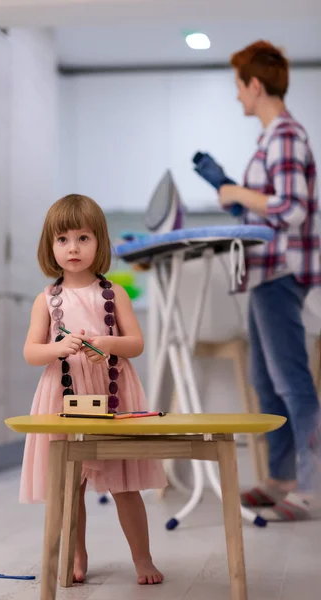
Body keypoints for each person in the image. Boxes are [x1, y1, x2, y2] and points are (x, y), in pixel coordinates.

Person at [20, 194, 167, 583]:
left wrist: (108, 343)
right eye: (63, 239)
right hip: (64, 397)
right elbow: (32, 352)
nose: (73, 248)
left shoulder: (114, 293)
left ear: (100, 242)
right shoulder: (47, 300)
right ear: (50, 246)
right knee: (72, 486)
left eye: (83, 238)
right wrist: (58, 347)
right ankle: (76, 556)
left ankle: (143, 559)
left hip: (112, 395)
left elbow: (135, 343)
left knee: (126, 483)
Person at [218, 40, 321, 521]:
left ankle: (311, 485)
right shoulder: (271, 139)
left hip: (280, 273)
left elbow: (293, 208)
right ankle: (281, 480)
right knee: (266, 381)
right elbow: (275, 204)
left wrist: (239, 191)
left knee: (291, 381)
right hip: (265, 274)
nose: (237, 97)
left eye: (239, 87)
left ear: (254, 85)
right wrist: (238, 200)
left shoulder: (284, 135)